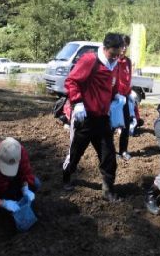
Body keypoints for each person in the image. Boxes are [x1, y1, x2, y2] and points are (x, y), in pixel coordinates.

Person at [63, 33, 124, 201]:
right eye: (112, 54)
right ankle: (66, 176)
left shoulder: (115, 64)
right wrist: (78, 102)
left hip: (103, 118)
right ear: (104, 49)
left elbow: (112, 85)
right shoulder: (90, 60)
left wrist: (117, 96)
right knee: (75, 152)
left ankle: (108, 190)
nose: (115, 58)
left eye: (118, 54)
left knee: (108, 155)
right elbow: (71, 81)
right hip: (85, 117)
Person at [115, 35, 134, 161]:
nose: (124, 48)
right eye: (122, 45)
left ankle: (123, 150)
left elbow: (128, 78)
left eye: (126, 45)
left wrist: (129, 93)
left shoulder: (128, 61)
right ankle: (111, 152)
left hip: (125, 97)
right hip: (114, 98)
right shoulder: (113, 61)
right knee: (112, 125)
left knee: (126, 125)